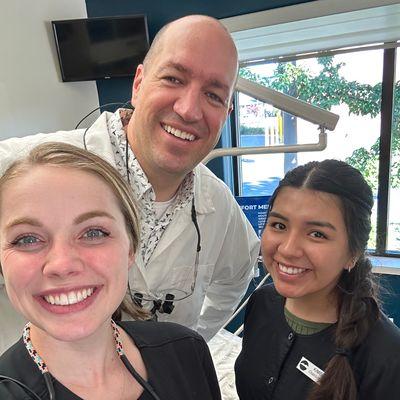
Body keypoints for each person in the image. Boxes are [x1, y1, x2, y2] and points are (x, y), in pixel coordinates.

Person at [0, 14, 259, 351]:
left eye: (213, 95)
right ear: (138, 83)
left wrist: (187, 344)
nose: (189, 109)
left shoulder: (217, 204)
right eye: (173, 78)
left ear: (226, 114)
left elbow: (237, 276)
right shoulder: (22, 167)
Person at [0, 142, 221, 400]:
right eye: (27, 239)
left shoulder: (186, 352)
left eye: (94, 233)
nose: (62, 265)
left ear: (130, 248)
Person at [235, 159, 400, 400]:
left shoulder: (386, 354)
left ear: (352, 253)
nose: (289, 249)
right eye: (279, 225)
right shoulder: (262, 303)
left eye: (316, 234)